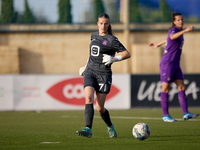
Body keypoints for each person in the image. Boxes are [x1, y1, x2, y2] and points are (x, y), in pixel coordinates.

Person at [76, 13, 131, 138]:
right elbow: (92, 54)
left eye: (106, 23)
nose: (103, 26)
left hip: (104, 75)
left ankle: (110, 127)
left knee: (100, 108)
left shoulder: (112, 40)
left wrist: (114, 59)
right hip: (90, 72)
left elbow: (127, 53)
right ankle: (88, 129)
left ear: (108, 24)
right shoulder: (93, 35)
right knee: (88, 98)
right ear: (97, 24)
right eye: (101, 23)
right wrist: (85, 66)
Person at [149, 12, 199, 122]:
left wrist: (158, 44)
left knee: (181, 87)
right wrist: (186, 30)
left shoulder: (178, 32)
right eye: (178, 20)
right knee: (165, 88)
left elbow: (168, 39)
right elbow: (171, 36)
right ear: (174, 21)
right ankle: (165, 115)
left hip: (176, 64)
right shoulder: (175, 30)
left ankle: (186, 113)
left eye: (182, 19)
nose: (181, 21)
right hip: (168, 63)